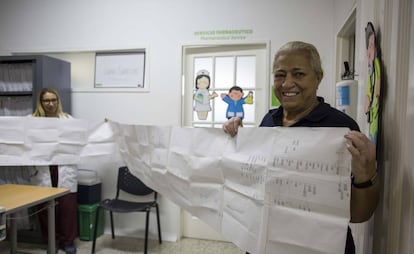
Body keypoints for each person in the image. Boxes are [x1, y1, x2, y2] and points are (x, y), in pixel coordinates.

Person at [223, 41, 379, 254]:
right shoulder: (268, 121)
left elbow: (359, 215)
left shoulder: (341, 128)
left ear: (318, 77)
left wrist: (364, 178)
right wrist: (233, 140)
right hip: (265, 244)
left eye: (298, 74)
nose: (287, 84)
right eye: (280, 75)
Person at [30, 88, 78, 254]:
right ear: (41, 102)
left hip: (64, 167)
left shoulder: (68, 119)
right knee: (44, 207)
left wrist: (103, 126)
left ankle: (68, 241)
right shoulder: (32, 121)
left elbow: (83, 136)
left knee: (67, 206)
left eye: (53, 100)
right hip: (43, 169)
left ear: (58, 101)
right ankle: (52, 240)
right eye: (46, 101)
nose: (50, 104)